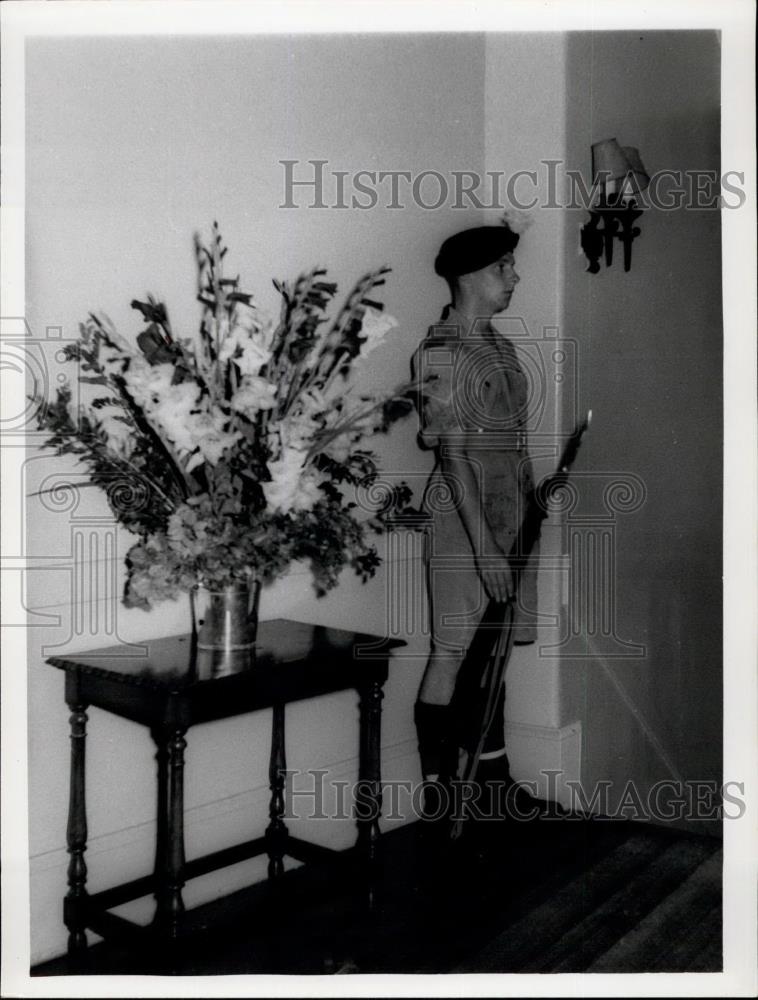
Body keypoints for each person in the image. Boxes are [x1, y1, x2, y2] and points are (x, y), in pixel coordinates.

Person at [411, 222, 539, 828]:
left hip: (511, 516)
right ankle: (439, 794)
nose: (513, 278)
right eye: (503, 268)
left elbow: (509, 441)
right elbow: (454, 456)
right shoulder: (442, 351)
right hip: (466, 523)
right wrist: (486, 548)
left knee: (494, 651)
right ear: (467, 277)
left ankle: (493, 782)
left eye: (511, 267)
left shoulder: (500, 347)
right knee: (454, 650)